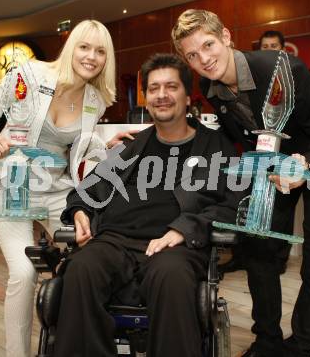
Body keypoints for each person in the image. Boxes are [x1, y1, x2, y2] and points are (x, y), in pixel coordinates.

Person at [172, 9, 310, 357]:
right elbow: (245, 135)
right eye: (192, 55)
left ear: (227, 37)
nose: (204, 59)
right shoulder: (209, 87)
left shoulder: (283, 67)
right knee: (257, 246)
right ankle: (267, 340)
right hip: (276, 162)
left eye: (208, 45)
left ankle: (302, 346)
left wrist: (302, 163)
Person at [53, 53, 240, 357]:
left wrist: (184, 229)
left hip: (174, 246)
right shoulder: (131, 146)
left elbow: (232, 205)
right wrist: (79, 212)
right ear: (146, 97)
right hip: (115, 241)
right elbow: (87, 190)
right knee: (81, 269)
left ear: (187, 94)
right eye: (154, 89)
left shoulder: (215, 147)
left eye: (171, 87)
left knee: (171, 275)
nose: (161, 96)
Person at [0, 19, 129, 357]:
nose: (91, 57)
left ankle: (72, 342)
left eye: (100, 51)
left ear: (107, 59)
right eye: (84, 47)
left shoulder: (96, 98)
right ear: (72, 46)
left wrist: (105, 142)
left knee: (90, 255)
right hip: (11, 183)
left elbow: (80, 147)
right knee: (25, 272)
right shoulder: (28, 74)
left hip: (56, 189)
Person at [221, 28, 288, 275]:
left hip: (288, 155)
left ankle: (278, 258)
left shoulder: (290, 78)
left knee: (279, 210)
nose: (269, 51)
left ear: (283, 49)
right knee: (246, 205)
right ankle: (242, 255)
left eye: (274, 47)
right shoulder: (242, 83)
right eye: (265, 47)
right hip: (255, 155)